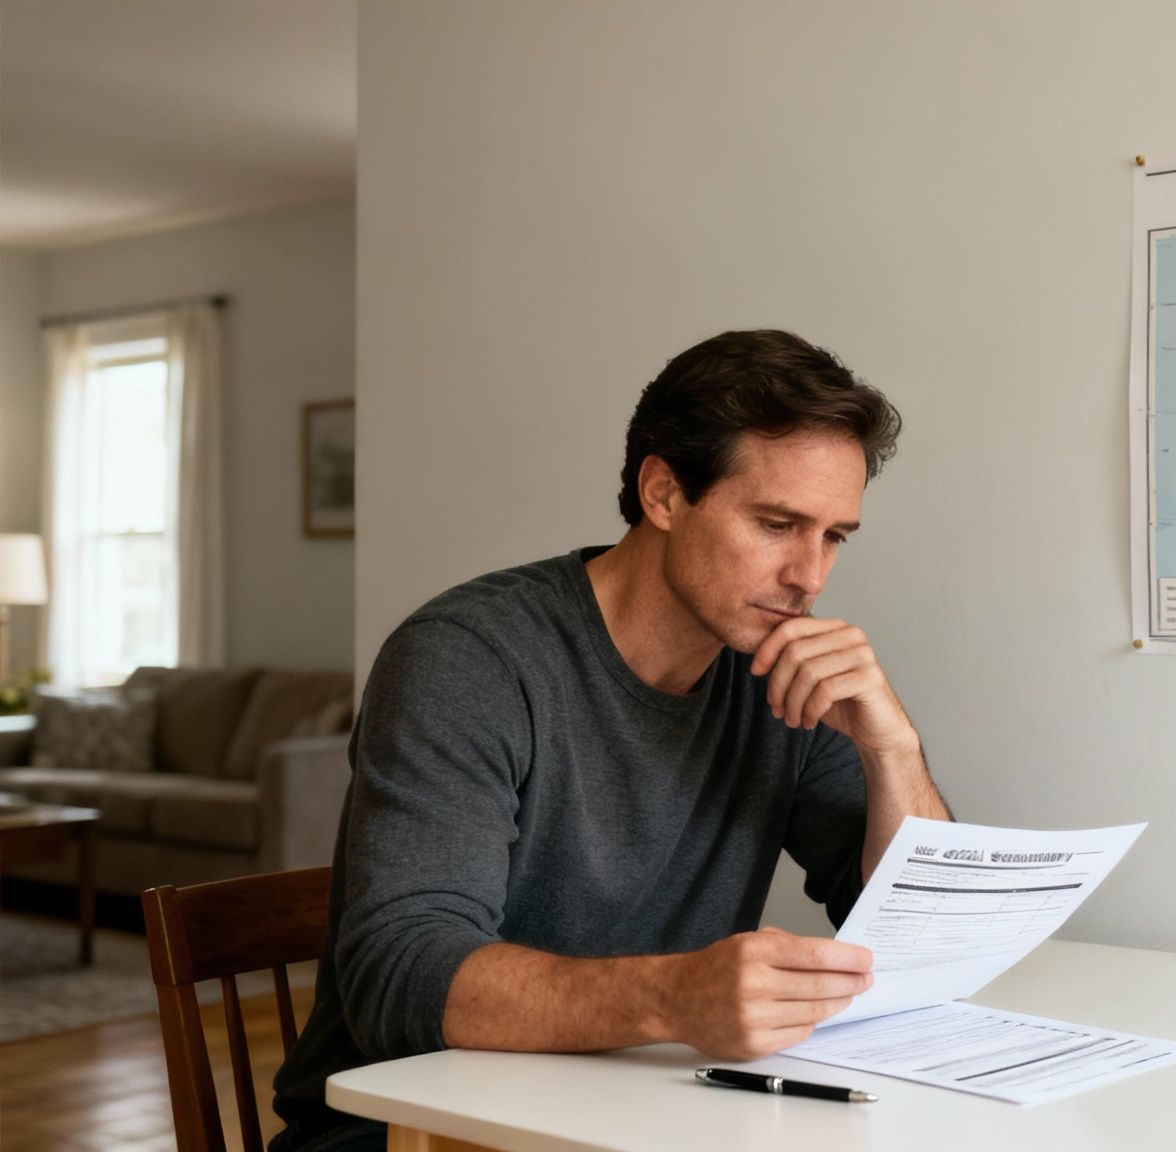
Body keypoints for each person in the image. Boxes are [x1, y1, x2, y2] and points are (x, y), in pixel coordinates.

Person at [271, 329, 951, 1152]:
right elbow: (402, 978)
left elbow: (923, 939)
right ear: (663, 493)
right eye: (777, 523)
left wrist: (893, 750)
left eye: (834, 535)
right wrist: (674, 996)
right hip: (412, 1130)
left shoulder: (779, 670)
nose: (810, 575)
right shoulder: (469, 657)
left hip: (645, 1116)